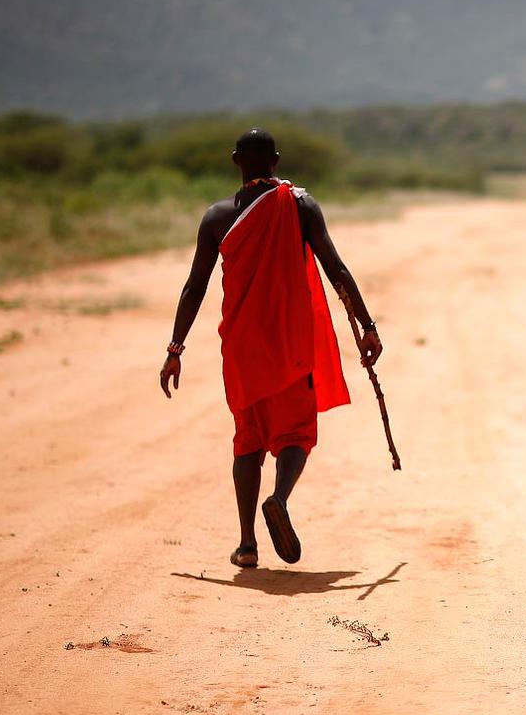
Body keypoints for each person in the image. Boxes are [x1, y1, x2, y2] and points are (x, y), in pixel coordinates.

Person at [159, 128, 382, 568]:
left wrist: (175, 348)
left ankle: (246, 545)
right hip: (289, 339)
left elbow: (194, 287)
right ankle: (278, 498)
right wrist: (367, 325)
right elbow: (335, 267)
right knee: (296, 432)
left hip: (241, 345)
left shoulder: (216, 216)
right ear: (276, 161)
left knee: (248, 440)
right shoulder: (299, 204)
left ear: (235, 160)